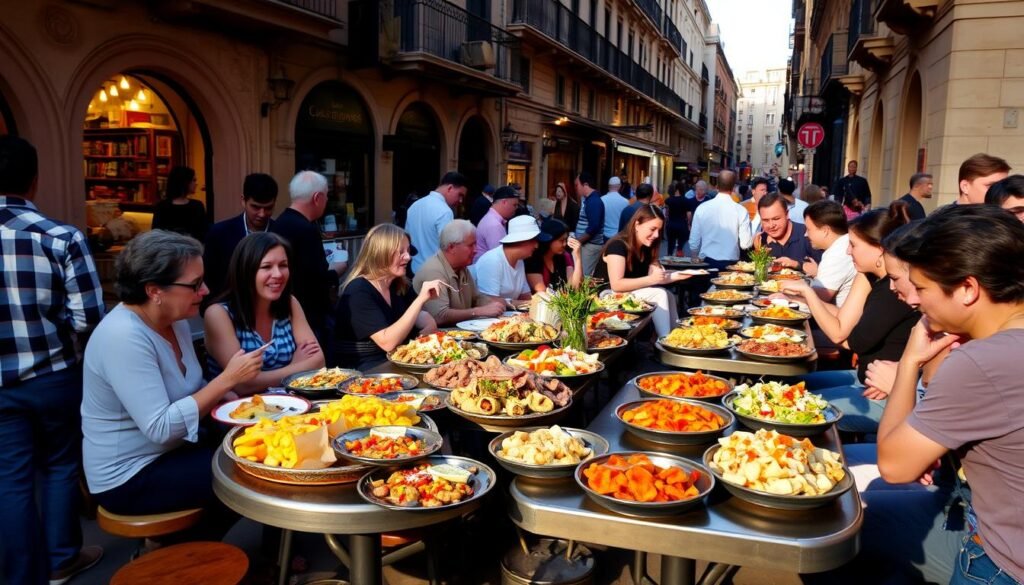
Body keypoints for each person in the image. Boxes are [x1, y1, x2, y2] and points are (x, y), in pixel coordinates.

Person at [872, 205, 1024, 584]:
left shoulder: (982, 362)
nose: (916, 301)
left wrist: (910, 359)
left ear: (968, 289)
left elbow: (894, 465)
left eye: (922, 288)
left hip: (998, 561)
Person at [82, 230, 266, 538]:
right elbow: (160, 427)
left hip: (173, 449)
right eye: (195, 285)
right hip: (130, 475)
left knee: (263, 442)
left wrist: (229, 395)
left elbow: (191, 388)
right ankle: (184, 560)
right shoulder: (123, 336)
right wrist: (226, 380)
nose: (205, 290)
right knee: (246, 473)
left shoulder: (175, 320)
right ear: (154, 291)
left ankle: (201, 555)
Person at [1, 136, 105, 585]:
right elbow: (89, 317)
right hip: (53, 374)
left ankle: (21, 575)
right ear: (35, 180)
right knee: (60, 464)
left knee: (11, 478)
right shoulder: (60, 237)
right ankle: (63, 557)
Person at [780, 202, 918, 433]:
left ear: (879, 250)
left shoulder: (894, 292)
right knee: (788, 385)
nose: (847, 251)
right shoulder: (868, 275)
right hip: (864, 377)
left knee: (789, 404)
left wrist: (807, 294)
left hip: (880, 394)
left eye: (853, 245)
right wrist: (802, 299)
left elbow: (843, 335)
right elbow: (843, 317)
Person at [204, 233, 324, 394]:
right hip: (240, 413)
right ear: (246, 271)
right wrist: (294, 369)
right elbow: (242, 383)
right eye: (266, 267)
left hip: (291, 408)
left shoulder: (289, 303)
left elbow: (318, 361)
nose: (278, 274)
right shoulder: (218, 314)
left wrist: (263, 378)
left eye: (283, 265)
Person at [333, 224, 441, 369]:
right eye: (401, 252)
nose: (408, 257)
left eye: (408, 251)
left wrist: (424, 326)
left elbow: (424, 319)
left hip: (396, 363)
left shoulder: (400, 284)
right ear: (381, 254)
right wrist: (421, 299)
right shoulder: (358, 291)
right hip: (365, 371)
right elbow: (387, 342)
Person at [271, 171, 344, 345]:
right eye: (326, 196)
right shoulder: (306, 230)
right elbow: (314, 279)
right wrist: (337, 271)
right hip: (308, 316)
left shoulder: (279, 223)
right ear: (317, 197)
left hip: (283, 313)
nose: (327, 201)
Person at [594, 205, 691, 336]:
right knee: (659, 294)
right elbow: (617, 285)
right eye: (653, 229)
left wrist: (677, 275)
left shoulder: (646, 247)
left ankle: (676, 338)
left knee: (669, 296)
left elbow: (656, 277)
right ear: (637, 224)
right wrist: (652, 279)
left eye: (659, 230)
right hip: (607, 296)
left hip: (627, 295)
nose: (656, 235)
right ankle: (664, 341)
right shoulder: (617, 245)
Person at [413, 220, 505, 326]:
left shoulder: (462, 267)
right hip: (438, 337)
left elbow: (476, 298)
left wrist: (495, 305)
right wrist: (479, 311)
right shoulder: (433, 271)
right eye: (471, 245)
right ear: (452, 247)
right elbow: (440, 316)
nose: (476, 250)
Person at [203, 172, 278, 302]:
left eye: (268, 208)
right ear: (243, 200)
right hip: (228, 309)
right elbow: (209, 278)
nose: (262, 214)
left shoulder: (282, 233)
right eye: (255, 207)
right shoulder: (219, 233)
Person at [688, 171, 753, 271]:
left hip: (706, 262)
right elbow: (745, 244)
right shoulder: (741, 210)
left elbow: (694, 240)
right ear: (733, 187)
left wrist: (694, 256)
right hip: (731, 264)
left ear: (717, 186)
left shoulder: (702, 208)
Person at [406, 171, 467, 273]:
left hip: (414, 271)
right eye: (460, 195)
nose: (460, 200)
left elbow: (408, 241)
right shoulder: (445, 211)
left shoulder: (414, 206)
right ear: (450, 188)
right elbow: (449, 248)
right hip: (435, 274)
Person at [802, 200, 856, 306]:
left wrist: (787, 289)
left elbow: (821, 296)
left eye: (808, 229)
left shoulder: (837, 254)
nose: (805, 234)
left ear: (825, 230)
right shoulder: (842, 245)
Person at [473, 215, 540, 301]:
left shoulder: (519, 261)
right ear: (522, 241)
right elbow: (490, 301)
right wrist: (521, 304)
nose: (536, 246)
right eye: (533, 241)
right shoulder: (492, 261)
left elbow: (525, 296)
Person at [754, 193, 820, 271]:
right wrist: (758, 253)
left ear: (787, 214)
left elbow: (826, 270)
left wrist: (797, 264)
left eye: (776, 219)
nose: (771, 225)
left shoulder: (807, 234)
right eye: (765, 220)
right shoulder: (760, 240)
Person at [151, 166, 208, 242]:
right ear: (184, 182)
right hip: (169, 250)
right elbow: (156, 234)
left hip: (193, 250)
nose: (196, 183)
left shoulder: (197, 206)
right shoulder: (162, 207)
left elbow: (203, 233)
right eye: (193, 180)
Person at [526, 218, 583, 292]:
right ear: (550, 240)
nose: (565, 244)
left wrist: (577, 258)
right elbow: (542, 293)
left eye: (566, 240)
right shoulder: (533, 260)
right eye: (561, 240)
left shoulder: (564, 256)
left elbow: (574, 289)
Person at [474, 186, 519, 262]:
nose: (516, 208)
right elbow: (501, 257)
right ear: (504, 202)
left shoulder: (492, 219)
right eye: (514, 205)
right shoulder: (494, 224)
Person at [573, 171, 605, 276]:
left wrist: (577, 241)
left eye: (577, 185)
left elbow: (594, 227)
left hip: (590, 246)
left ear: (585, 185)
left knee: (583, 275)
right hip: (588, 245)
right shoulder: (589, 200)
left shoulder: (594, 201)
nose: (576, 188)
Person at [664, 181, 689, 256]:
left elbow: (666, 213)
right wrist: (688, 223)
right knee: (681, 244)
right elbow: (689, 215)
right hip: (682, 225)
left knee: (670, 244)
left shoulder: (668, 200)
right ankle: (679, 255)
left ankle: (669, 257)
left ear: (676, 190)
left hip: (671, 225)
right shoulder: (686, 200)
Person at [601, 176, 629, 240]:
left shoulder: (602, 200)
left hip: (604, 235)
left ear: (608, 186)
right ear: (619, 186)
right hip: (618, 235)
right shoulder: (625, 202)